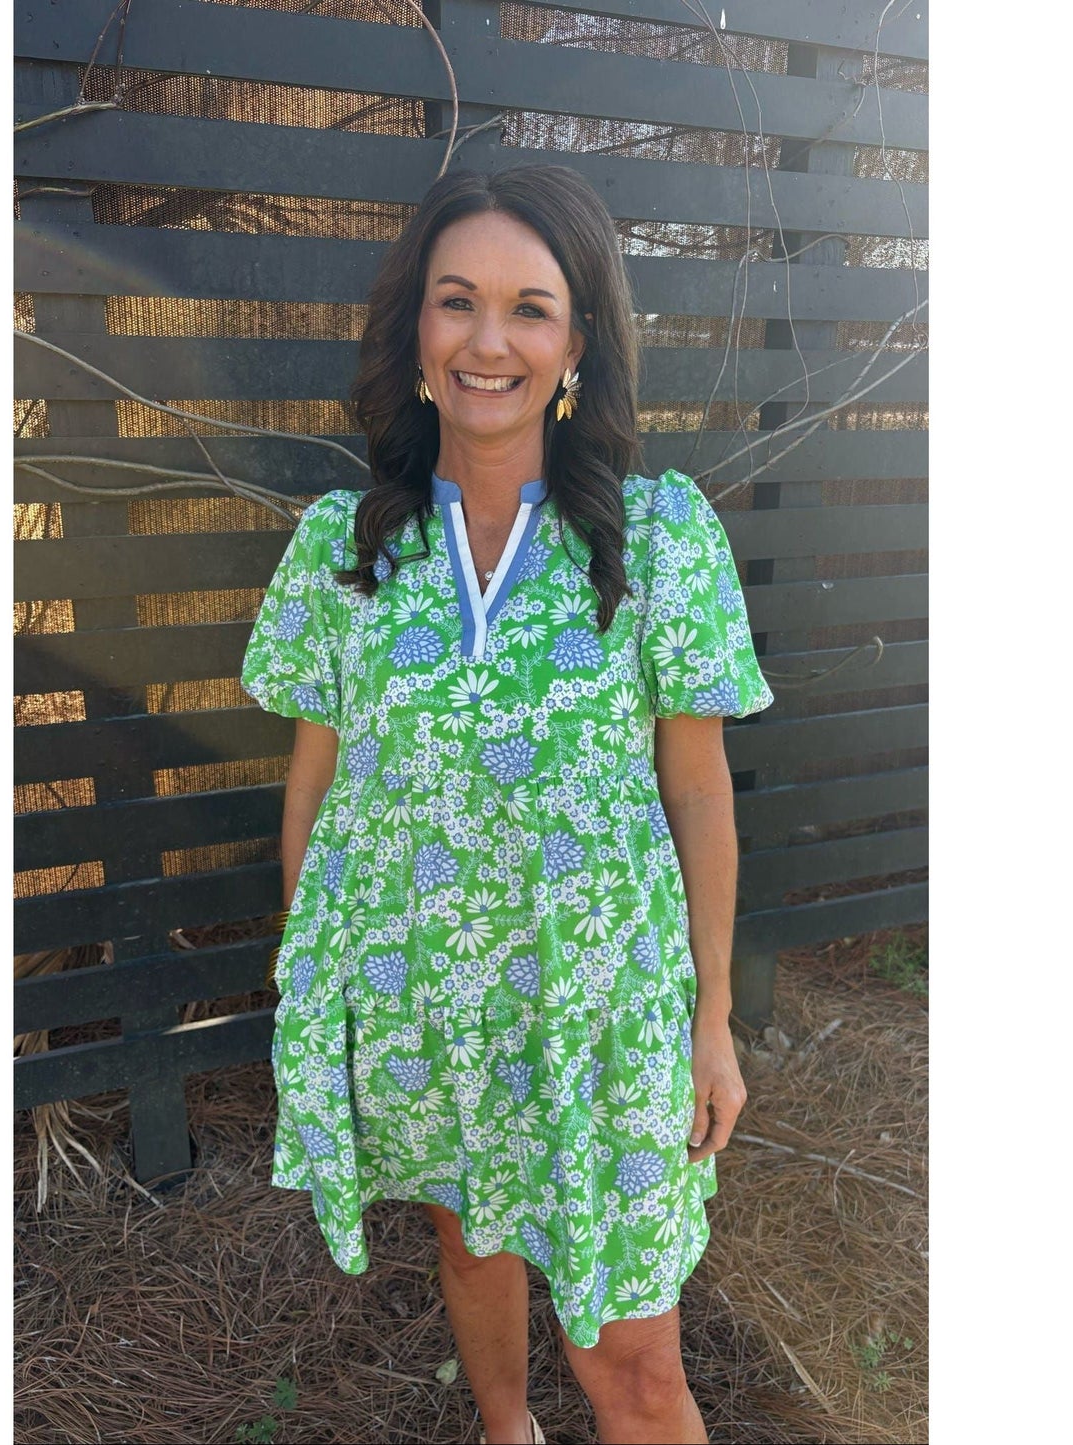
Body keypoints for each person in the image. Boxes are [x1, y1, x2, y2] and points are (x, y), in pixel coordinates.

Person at [240, 164, 774, 1445]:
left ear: (576, 340)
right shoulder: (341, 548)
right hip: (422, 998)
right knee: (469, 1240)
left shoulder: (653, 538)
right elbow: (317, 780)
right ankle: (503, 1427)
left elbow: (696, 788)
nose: (489, 340)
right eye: (456, 302)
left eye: (529, 308)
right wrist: (324, 978)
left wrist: (709, 1017)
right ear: (416, 332)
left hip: (599, 1014)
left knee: (635, 1363)